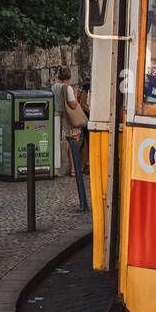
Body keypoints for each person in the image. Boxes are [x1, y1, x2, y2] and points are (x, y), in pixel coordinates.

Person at [54, 67, 89, 212]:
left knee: (70, 142)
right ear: (69, 76)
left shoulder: (55, 86)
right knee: (74, 142)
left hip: (61, 116)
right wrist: (74, 94)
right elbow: (73, 104)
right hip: (70, 118)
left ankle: (73, 169)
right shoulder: (68, 88)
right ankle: (75, 169)